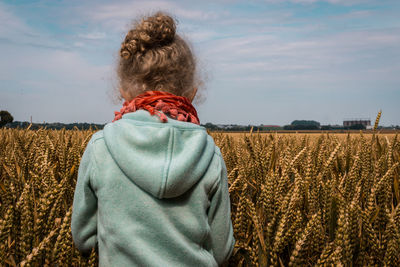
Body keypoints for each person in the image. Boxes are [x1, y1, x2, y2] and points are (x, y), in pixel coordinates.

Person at [71, 11, 235, 267]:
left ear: (122, 89)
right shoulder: (210, 155)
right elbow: (222, 251)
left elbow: (83, 240)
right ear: (191, 93)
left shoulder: (100, 148)